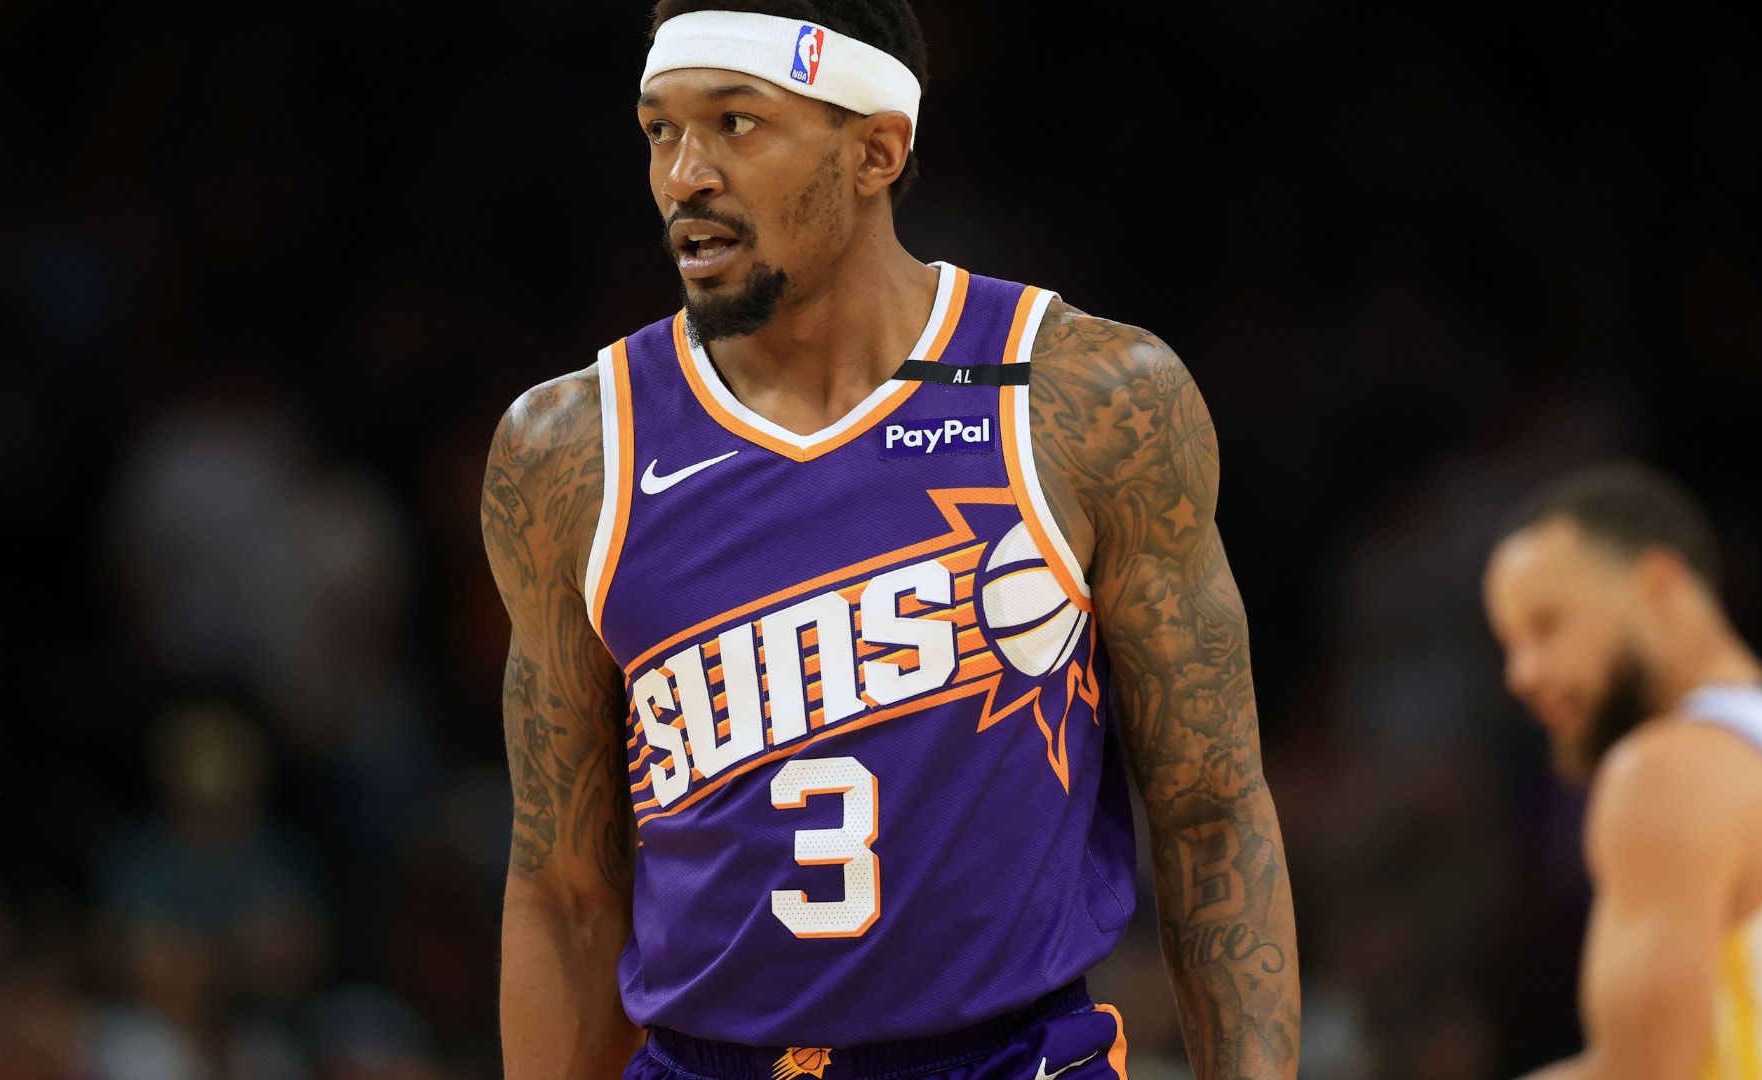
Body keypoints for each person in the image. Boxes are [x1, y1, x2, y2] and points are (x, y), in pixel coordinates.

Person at [478, 2, 1300, 1078]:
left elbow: (1211, 817)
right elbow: (565, 895)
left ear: (877, 150)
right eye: (659, 131)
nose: (684, 177)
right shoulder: (571, 449)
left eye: (736, 123)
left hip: (1008, 1058)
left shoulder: (1084, 398)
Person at [1482, 462, 1762, 1079]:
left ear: (1660, 587)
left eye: (1547, 626)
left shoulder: (1667, 772)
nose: (1522, 675)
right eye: (1510, 644)